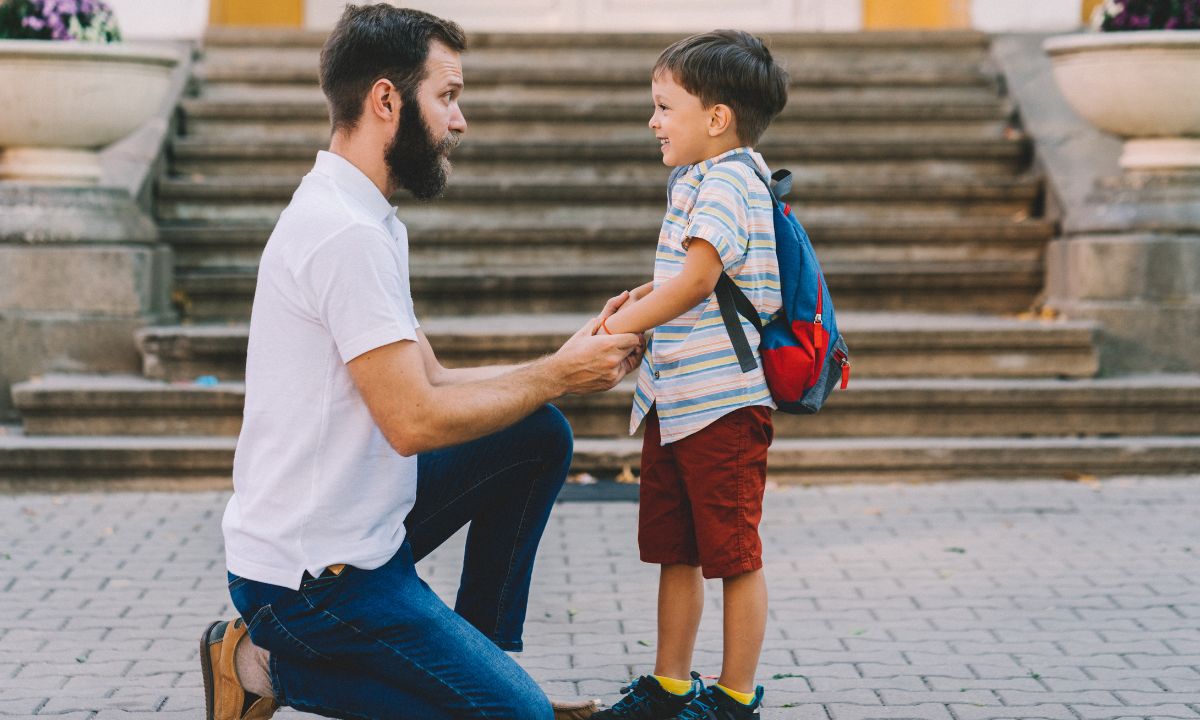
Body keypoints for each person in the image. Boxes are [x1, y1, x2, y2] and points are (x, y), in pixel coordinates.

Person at [197, 4, 644, 719]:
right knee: (519, 718)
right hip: (311, 582)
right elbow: (413, 421)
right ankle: (259, 662)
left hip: (361, 529)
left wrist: (559, 363)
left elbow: (428, 380)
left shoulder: (364, 215)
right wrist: (557, 375)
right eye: (448, 97)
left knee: (537, 433)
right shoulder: (345, 234)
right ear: (385, 99)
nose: (459, 121)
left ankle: (482, 669)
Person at [588, 30, 788, 720]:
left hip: (724, 404)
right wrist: (636, 304)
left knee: (733, 553)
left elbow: (699, 281)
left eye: (664, 106)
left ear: (717, 117)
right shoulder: (700, 179)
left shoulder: (733, 178)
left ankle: (734, 699)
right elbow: (680, 280)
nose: (653, 121)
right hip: (677, 400)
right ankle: (670, 684)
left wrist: (621, 328)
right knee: (678, 549)